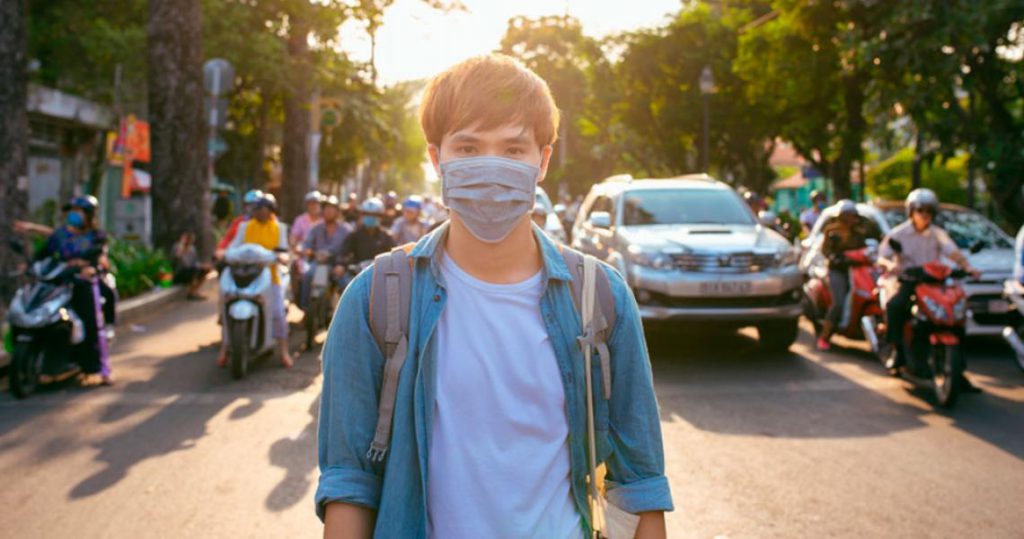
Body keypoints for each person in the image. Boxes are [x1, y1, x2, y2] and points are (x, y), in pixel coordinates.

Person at [317, 54, 671, 538]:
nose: (489, 167)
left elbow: (640, 481)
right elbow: (349, 482)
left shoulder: (601, 299)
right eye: (467, 147)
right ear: (435, 158)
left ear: (542, 161)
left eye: (512, 150)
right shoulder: (375, 300)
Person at [878, 189, 978, 380]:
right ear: (911, 212)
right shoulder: (899, 233)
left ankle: (959, 370)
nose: (925, 215)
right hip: (910, 281)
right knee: (896, 306)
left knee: (956, 315)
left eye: (929, 211)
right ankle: (897, 350)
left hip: (934, 283)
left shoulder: (937, 234)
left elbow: (953, 252)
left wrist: (967, 267)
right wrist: (892, 265)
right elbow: (882, 256)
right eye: (921, 211)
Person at [36, 196, 117, 386]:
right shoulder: (60, 235)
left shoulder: (96, 236)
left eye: (78, 211)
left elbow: (98, 258)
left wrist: (89, 266)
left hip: (84, 283)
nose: (73, 215)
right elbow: (43, 254)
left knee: (90, 322)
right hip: (59, 283)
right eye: (71, 211)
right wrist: (29, 265)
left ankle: (97, 368)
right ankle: (50, 365)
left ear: (88, 215)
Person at [221, 194, 294, 369]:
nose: (262, 212)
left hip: (270, 275)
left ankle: (284, 351)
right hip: (244, 272)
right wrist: (224, 253)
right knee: (225, 302)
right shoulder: (245, 227)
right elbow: (233, 247)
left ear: (271, 211)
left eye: (265, 209)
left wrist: (282, 257)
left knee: (278, 312)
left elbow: (284, 251)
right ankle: (224, 348)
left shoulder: (279, 229)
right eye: (259, 209)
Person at [816, 200, 881, 350]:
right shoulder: (832, 231)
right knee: (839, 301)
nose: (851, 218)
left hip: (857, 270)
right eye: (848, 215)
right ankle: (824, 336)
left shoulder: (860, 232)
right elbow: (826, 251)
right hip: (838, 271)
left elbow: (865, 250)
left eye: (853, 215)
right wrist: (835, 257)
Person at [299, 195, 352, 310]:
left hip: (337, 265)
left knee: (347, 285)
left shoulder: (346, 230)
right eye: (326, 209)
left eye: (332, 209)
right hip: (318, 263)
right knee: (307, 275)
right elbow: (306, 246)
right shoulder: (315, 228)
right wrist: (310, 252)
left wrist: (342, 264)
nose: (328, 212)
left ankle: (345, 312)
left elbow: (350, 251)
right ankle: (305, 307)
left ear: (337, 212)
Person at [339, 197, 396, 268]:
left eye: (374, 215)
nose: (370, 217)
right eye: (367, 214)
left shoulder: (386, 236)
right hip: (357, 275)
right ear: (362, 215)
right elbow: (344, 254)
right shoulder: (355, 235)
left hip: (380, 275)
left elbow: (394, 258)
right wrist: (341, 265)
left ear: (381, 216)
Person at [216, 189, 263, 260]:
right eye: (250, 205)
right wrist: (221, 249)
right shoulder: (239, 222)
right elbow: (228, 238)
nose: (253, 208)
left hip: (262, 259)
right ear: (245, 206)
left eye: (256, 206)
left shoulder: (270, 223)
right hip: (239, 259)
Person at [171, 232, 210, 300]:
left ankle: (194, 292)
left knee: (205, 269)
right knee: (194, 270)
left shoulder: (192, 248)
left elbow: (195, 262)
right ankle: (191, 294)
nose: (190, 240)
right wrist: (182, 245)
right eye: (187, 238)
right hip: (179, 273)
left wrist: (202, 266)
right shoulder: (177, 247)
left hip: (191, 271)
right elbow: (177, 257)